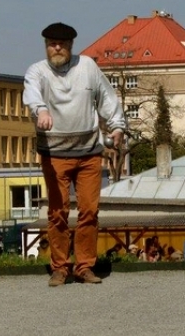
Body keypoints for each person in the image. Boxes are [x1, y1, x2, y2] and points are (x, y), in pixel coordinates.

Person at [23, 22, 126, 287]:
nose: (56, 48)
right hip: (54, 153)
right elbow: (32, 94)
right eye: (51, 43)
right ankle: (60, 267)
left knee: (89, 211)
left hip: (89, 152)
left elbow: (106, 96)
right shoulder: (37, 71)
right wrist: (41, 111)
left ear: (70, 46)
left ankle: (84, 266)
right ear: (46, 45)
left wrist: (117, 126)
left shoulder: (88, 67)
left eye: (62, 44)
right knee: (57, 212)